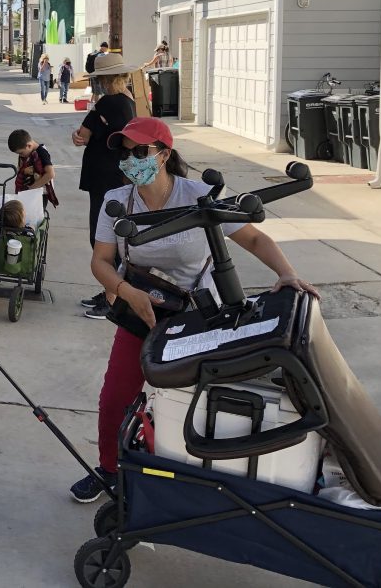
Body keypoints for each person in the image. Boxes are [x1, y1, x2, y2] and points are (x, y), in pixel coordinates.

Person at [68, 117, 319, 504]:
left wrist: (287, 273)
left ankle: (189, 477)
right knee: (116, 396)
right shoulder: (117, 203)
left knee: (191, 401)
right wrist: (123, 291)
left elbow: (253, 236)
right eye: (124, 152)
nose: (130, 160)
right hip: (140, 310)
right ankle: (109, 470)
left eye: (140, 152)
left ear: (164, 155)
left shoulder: (199, 195)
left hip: (198, 316)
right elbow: (100, 260)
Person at [71, 53, 135, 270]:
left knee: (100, 237)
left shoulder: (106, 104)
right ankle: (116, 291)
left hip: (102, 177)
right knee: (116, 235)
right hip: (120, 175)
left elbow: (83, 136)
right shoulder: (129, 101)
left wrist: (78, 135)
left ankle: (113, 293)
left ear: (107, 79)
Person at [8, 129, 58, 208]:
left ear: (29, 145)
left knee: (35, 216)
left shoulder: (42, 153)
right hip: (28, 191)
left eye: (21, 153)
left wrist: (33, 188)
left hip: (40, 194)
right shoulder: (28, 151)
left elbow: (50, 174)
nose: (20, 155)